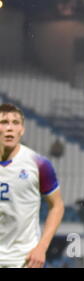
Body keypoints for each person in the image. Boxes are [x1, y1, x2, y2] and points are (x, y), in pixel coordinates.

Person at [0, 103, 64, 268]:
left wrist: (41, 247)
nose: (10, 128)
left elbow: (57, 206)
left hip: (24, 260)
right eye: (4, 122)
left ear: (22, 130)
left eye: (15, 123)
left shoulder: (38, 164)